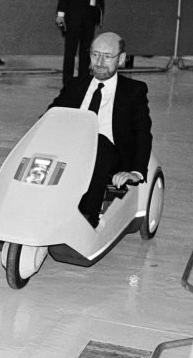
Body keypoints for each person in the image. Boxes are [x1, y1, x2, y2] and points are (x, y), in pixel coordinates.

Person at [48, 32, 151, 228]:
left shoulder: (134, 91)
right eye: (95, 55)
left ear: (121, 59)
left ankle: (88, 217)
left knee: (99, 142)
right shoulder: (75, 85)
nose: (100, 62)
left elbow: (143, 133)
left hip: (110, 155)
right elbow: (51, 116)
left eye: (107, 56)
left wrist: (136, 172)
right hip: (70, 151)